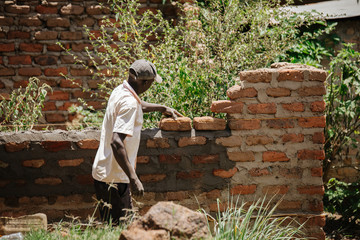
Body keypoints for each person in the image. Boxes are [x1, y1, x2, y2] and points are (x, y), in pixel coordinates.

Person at [92, 59, 182, 224]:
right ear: (145, 82)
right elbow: (116, 142)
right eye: (151, 83)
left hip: (104, 172)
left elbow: (137, 104)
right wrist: (134, 178)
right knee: (122, 229)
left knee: (111, 227)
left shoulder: (120, 90)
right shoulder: (130, 103)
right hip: (116, 177)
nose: (151, 86)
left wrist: (162, 107)